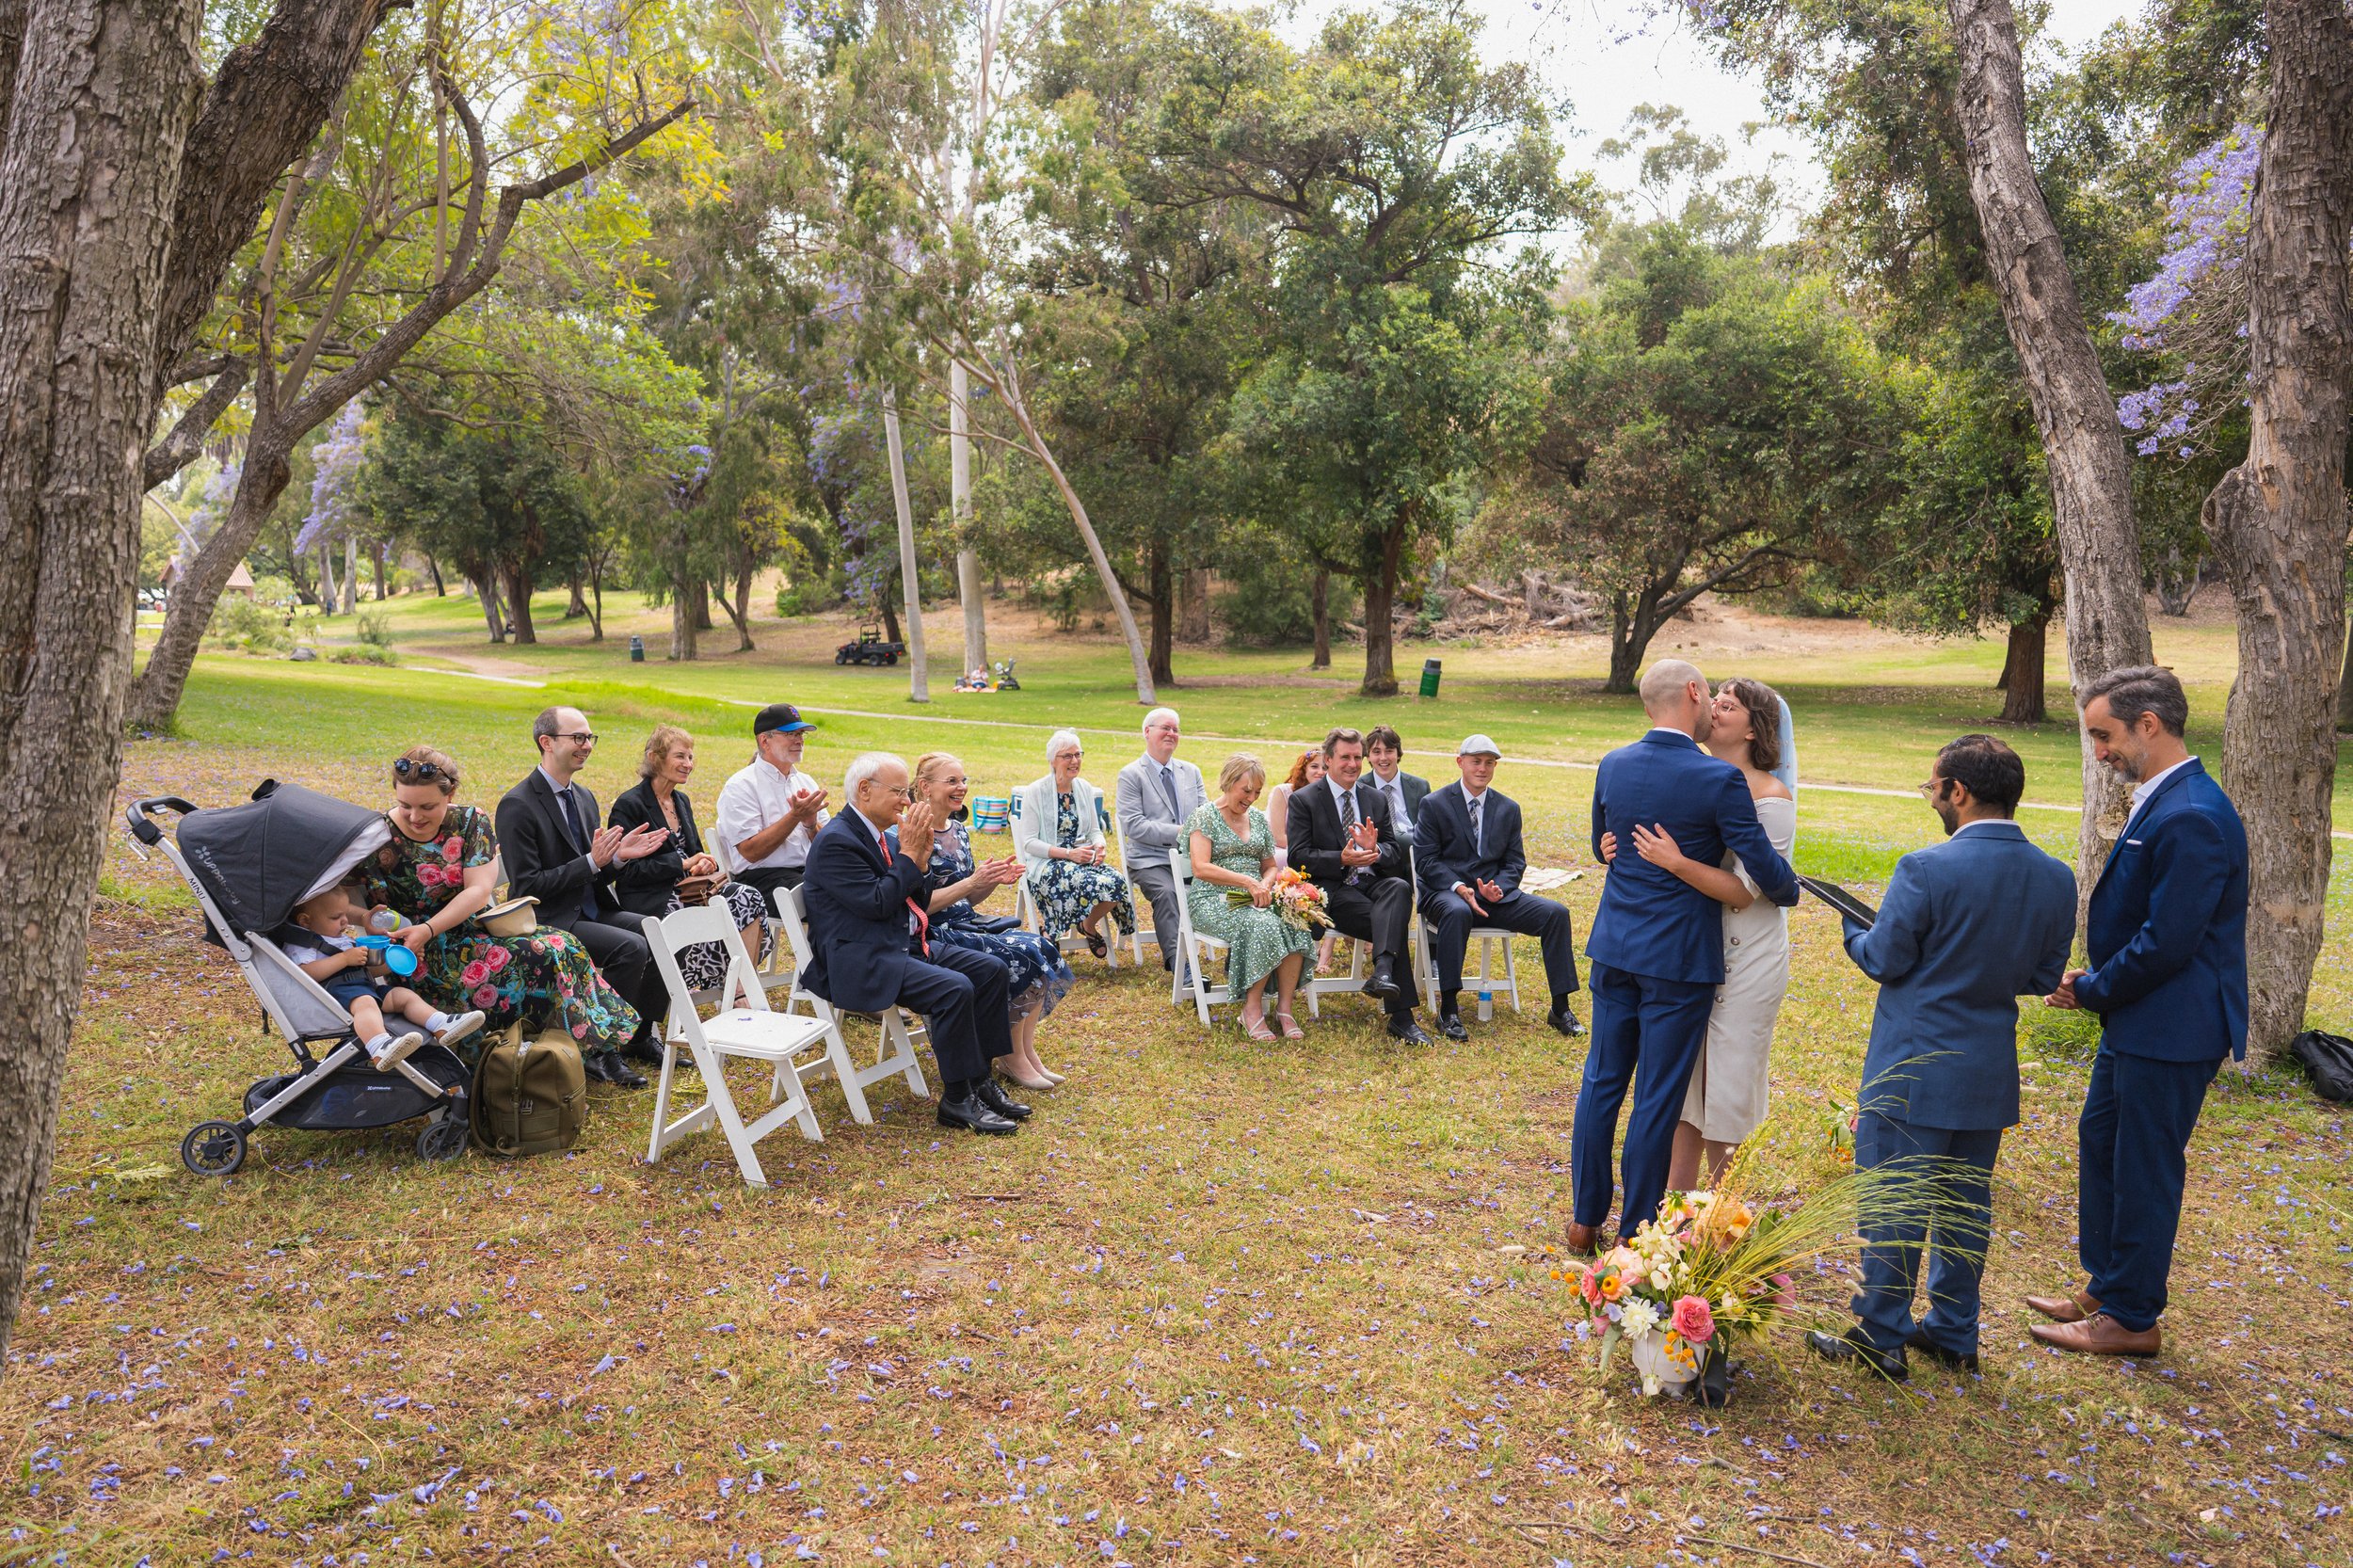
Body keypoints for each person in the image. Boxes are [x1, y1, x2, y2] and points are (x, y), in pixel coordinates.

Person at [1801, 734, 2075, 1381]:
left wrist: (1852, 925)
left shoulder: (1925, 868)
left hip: (1914, 1064)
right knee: (1964, 1207)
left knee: (1894, 1202)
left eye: (1934, 788)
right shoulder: (2056, 877)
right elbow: (2042, 976)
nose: (1933, 799)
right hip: (1987, 1067)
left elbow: (1884, 959)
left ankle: (1882, 1335)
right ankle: (1955, 1331)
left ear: (1960, 791)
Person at [2031, 665, 2248, 1358]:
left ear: (2148, 725)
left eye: (2105, 735)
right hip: (2139, 1017)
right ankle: (2109, 1282)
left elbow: (2169, 942)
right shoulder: (2165, 798)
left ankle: (2131, 1319)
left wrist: (2092, 988)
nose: (2099, 752)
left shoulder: (2192, 814)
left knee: (2144, 1165)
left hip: (2173, 1022)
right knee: (2103, 1141)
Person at [1566, 661, 1798, 1255]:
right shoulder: (1716, 782)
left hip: (1615, 947)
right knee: (1658, 1096)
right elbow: (1770, 877)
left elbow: (1603, 838)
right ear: (1693, 694)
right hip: (1677, 961)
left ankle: (1584, 1217)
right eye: (1711, 695)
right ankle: (1634, 1230)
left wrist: (1608, 847)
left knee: (1600, 1081)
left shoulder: (1613, 762)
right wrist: (1791, 886)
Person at [360, 745, 642, 1063]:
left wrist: (428, 928)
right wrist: (378, 920)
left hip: (470, 930)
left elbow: (479, 892)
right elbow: (350, 905)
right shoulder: (377, 834)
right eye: (405, 805)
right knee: (542, 955)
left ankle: (584, 1051)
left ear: (450, 794)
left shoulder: (469, 821)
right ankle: (539, 1054)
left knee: (564, 945)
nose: (415, 816)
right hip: (415, 953)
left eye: (427, 806)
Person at [800, 752, 1030, 1136]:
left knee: (991, 970)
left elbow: (913, 900)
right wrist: (910, 856)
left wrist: (919, 861)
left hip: (893, 943)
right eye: (898, 792)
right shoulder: (837, 841)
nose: (907, 802)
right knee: (954, 989)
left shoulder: (872, 834)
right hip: (859, 959)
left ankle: (979, 1080)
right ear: (864, 790)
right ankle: (956, 1098)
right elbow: (877, 905)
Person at [494, 708, 674, 1088]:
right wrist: (594, 861)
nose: (587, 745)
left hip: (590, 908)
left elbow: (596, 871)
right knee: (631, 948)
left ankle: (638, 1037)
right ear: (547, 743)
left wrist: (620, 857)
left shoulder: (584, 796)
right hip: (551, 918)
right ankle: (600, 1052)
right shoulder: (518, 804)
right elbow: (529, 885)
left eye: (590, 737)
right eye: (577, 737)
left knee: (659, 932)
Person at [892, 752, 1073, 1091]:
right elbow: (916, 906)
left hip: (966, 921)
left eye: (963, 780)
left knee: (1042, 947)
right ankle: (1011, 1056)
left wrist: (989, 880)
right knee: (1022, 955)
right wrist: (971, 883)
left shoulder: (959, 830)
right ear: (924, 787)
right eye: (952, 781)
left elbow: (968, 898)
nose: (961, 788)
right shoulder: (910, 834)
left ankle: (1024, 1051)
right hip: (933, 931)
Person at [1414, 734, 1580, 1042]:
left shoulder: (1508, 808)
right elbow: (1426, 861)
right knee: (1457, 912)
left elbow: (1515, 862)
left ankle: (1560, 1007)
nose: (1483, 768)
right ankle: (1449, 1010)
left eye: (1489, 763)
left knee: (1556, 914)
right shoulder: (1434, 804)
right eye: (1476, 761)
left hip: (1495, 900)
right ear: (1460, 762)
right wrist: (1460, 887)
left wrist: (1498, 889)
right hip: (1448, 895)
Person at [1288, 727, 1430, 1045]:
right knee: (1390, 923)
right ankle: (1402, 1018)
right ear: (1328, 760)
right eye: (1345, 757)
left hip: (1374, 882)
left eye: (1357, 757)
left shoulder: (1374, 798)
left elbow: (1394, 850)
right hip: (1333, 892)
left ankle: (1381, 972)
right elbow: (1297, 857)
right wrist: (1341, 858)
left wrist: (1376, 852)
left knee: (1398, 887)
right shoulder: (1304, 800)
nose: (1353, 764)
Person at [608, 725, 776, 991]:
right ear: (654, 758)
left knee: (748, 896)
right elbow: (626, 871)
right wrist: (682, 864)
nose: (688, 764)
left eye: (690, 757)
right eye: (680, 756)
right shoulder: (630, 804)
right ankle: (692, 984)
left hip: (692, 889)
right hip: (653, 897)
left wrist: (701, 863)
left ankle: (741, 985)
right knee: (690, 915)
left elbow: (692, 851)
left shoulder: (681, 801)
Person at [278, 882, 485, 1068]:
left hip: (365, 985)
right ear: (305, 921)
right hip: (337, 994)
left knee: (402, 996)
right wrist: (344, 959)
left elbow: (369, 970)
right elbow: (304, 974)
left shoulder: (339, 939)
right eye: (335, 917)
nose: (344, 922)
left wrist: (395, 961)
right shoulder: (302, 944)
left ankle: (441, 1024)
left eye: (345, 916)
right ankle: (379, 1046)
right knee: (366, 1002)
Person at [1186, 754, 1317, 1040]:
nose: (1251, 798)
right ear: (1228, 782)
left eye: (1257, 792)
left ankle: (1284, 1009)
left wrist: (1266, 884)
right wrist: (1248, 882)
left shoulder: (1257, 819)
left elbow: (1270, 866)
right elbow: (1200, 867)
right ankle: (1252, 1010)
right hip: (1213, 898)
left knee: (1295, 920)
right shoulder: (1204, 816)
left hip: (1256, 897)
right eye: (1246, 790)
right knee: (1262, 924)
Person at [1015, 731, 1136, 961]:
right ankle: (1052, 931)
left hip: (1082, 857)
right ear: (1053, 760)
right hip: (1048, 862)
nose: (1075, 761)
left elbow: (1095, 831)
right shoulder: (1035, 791)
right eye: (1067, 756)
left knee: (1117, 882)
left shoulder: (1083, 788)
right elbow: (1029, 843)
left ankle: (1087, 924)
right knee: (1083, 880)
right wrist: (1069, 854)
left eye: (1078, 755)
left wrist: (1100, 846)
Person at [1115, 708, 1208, 981]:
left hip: (1191, 858)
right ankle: (1180, 965)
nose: (1171, 733)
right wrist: (1181, 832)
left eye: (1176, 729)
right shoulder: (1131, 774)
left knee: (1226, 885)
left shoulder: (1191, 771)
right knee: (1168, 893)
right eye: (1165, 728)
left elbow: (1205, 815)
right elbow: (1134, 825)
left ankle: (1237, 958)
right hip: (1149, 859)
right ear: (1147, 732)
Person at [714, 704, 831, 902]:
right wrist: (794, 816)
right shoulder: (741, 785)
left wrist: (811, 824)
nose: (799, 740)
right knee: (836, 898)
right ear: (764, 741)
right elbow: (751, 852)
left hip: (807, 872)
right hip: (762, 880)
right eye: (790, 734)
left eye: (801, 733)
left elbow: (829, 847)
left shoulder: (805, 781)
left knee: (858, 886)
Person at [1267, 748, 1337, 969]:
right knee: (1300, 862)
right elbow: (1278, 835)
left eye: (1325, 768)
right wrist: (1309, 848)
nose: (1320, 772)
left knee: (1332, 868)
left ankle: (1326, 945)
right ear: (1303, 768)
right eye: (1314, 766)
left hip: (1316, 855)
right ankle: (1296, 934)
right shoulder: (1285, 792)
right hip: (1286, 850)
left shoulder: (1332, 796)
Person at [1365, 725, 1431, 834]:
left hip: (1415, 844)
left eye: (1389, 751)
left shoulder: (1420, 786)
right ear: (1368, 756)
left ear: (1398, 754)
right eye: (1376, 752)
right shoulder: (1360, 787)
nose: (1383, 758)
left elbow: (1428, 826)